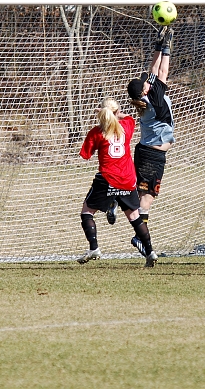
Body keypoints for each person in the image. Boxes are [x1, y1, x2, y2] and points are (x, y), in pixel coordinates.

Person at [78, 98, 158, 267]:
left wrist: (102, 118)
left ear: (102, 113)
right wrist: (116, 114)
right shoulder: (127, 126)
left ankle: (94, 248)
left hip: (107, 179)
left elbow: (85, 155)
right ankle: (150, 252)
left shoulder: (97, 132)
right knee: (135, 217)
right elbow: (128, 117)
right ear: (117, 112)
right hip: (127, 180)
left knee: (87, 212)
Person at [126, 26, 175, 256]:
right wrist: (166, 48)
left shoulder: (146, 98)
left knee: (145, 196)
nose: (148, 81)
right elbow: (161, 70)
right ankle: (139, 234)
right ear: (144, 91)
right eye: (145, 83)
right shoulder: (153, 98)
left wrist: (160, 44)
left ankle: (118, 204)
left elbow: (153, 70)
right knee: (146, 197)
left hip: (149, 153)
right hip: (152, 156)